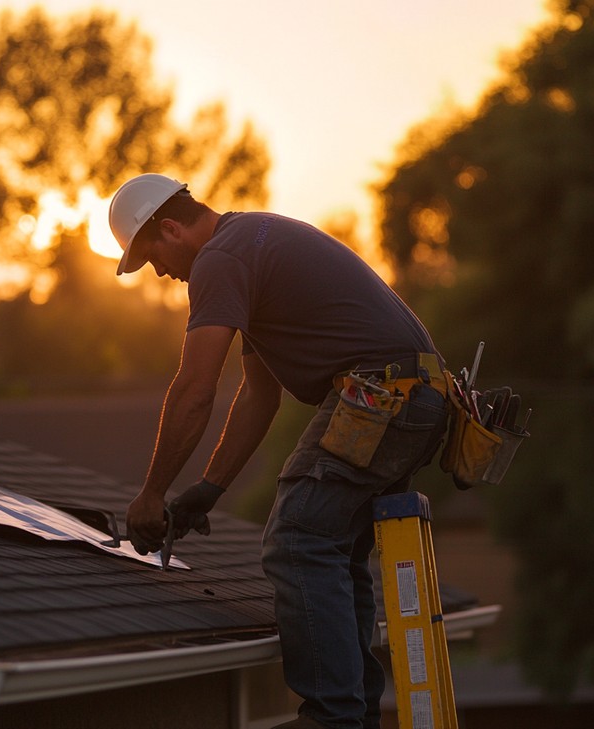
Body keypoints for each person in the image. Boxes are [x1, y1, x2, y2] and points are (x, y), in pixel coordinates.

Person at [108, 173, 449, 729]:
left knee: (297, 538)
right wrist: (208, 489)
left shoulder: (220, 260)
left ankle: (332, 718)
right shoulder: (253, 242)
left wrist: (151, 494)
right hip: (418, 396)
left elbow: (196, 388)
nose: (163, 274)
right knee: (332, 549)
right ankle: (353, 715)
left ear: (170, 228)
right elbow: (258, 394)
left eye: (153, 259)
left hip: (380, 394)